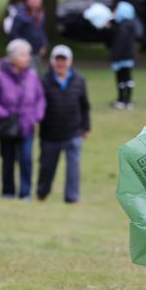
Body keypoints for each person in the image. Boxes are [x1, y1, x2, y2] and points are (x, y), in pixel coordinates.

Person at [0, 39, 45, 200]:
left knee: (26, 158)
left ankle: (25, 192)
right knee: (8, 159)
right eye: (24, 55)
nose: (28, 58)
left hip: (26, 124)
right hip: (7, 125)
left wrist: (36, 116)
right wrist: (2, 113)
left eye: (28, 55)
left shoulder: (32, 75)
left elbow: (40, 97)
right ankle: (8, 191)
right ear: (13, 57)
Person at [37, 45, 90, 204]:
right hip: (49, 134)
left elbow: (84, 106)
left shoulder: (79, 80)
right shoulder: (44, 80)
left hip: (73, 132)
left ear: (70, 62)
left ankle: (72, 198)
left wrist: (85, 127)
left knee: (73, 168)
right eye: (57, 60)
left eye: (63, 60)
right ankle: (42, 193)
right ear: (52, 62)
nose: (60, 64)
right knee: (47, 167)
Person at [105, 1, 137, 109]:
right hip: (126, 56)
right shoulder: (126, 24)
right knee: (124, 78)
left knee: (123, 78)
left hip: (123, 57)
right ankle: (123, 100)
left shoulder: (124, 26)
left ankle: (125, 101)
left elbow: (119, 43)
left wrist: (114, 56)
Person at [9, 0, 47, 73]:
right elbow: (14, 34)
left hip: (37, 51)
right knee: (29, 74)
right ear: (28, 0)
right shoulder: (20, 15)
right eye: (35, 0)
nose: (37, 3)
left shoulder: (40, 13)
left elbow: (41, 30)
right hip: (25, 53)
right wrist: (23, 48)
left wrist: (44, 43)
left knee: (36, 74)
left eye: (39, 1)